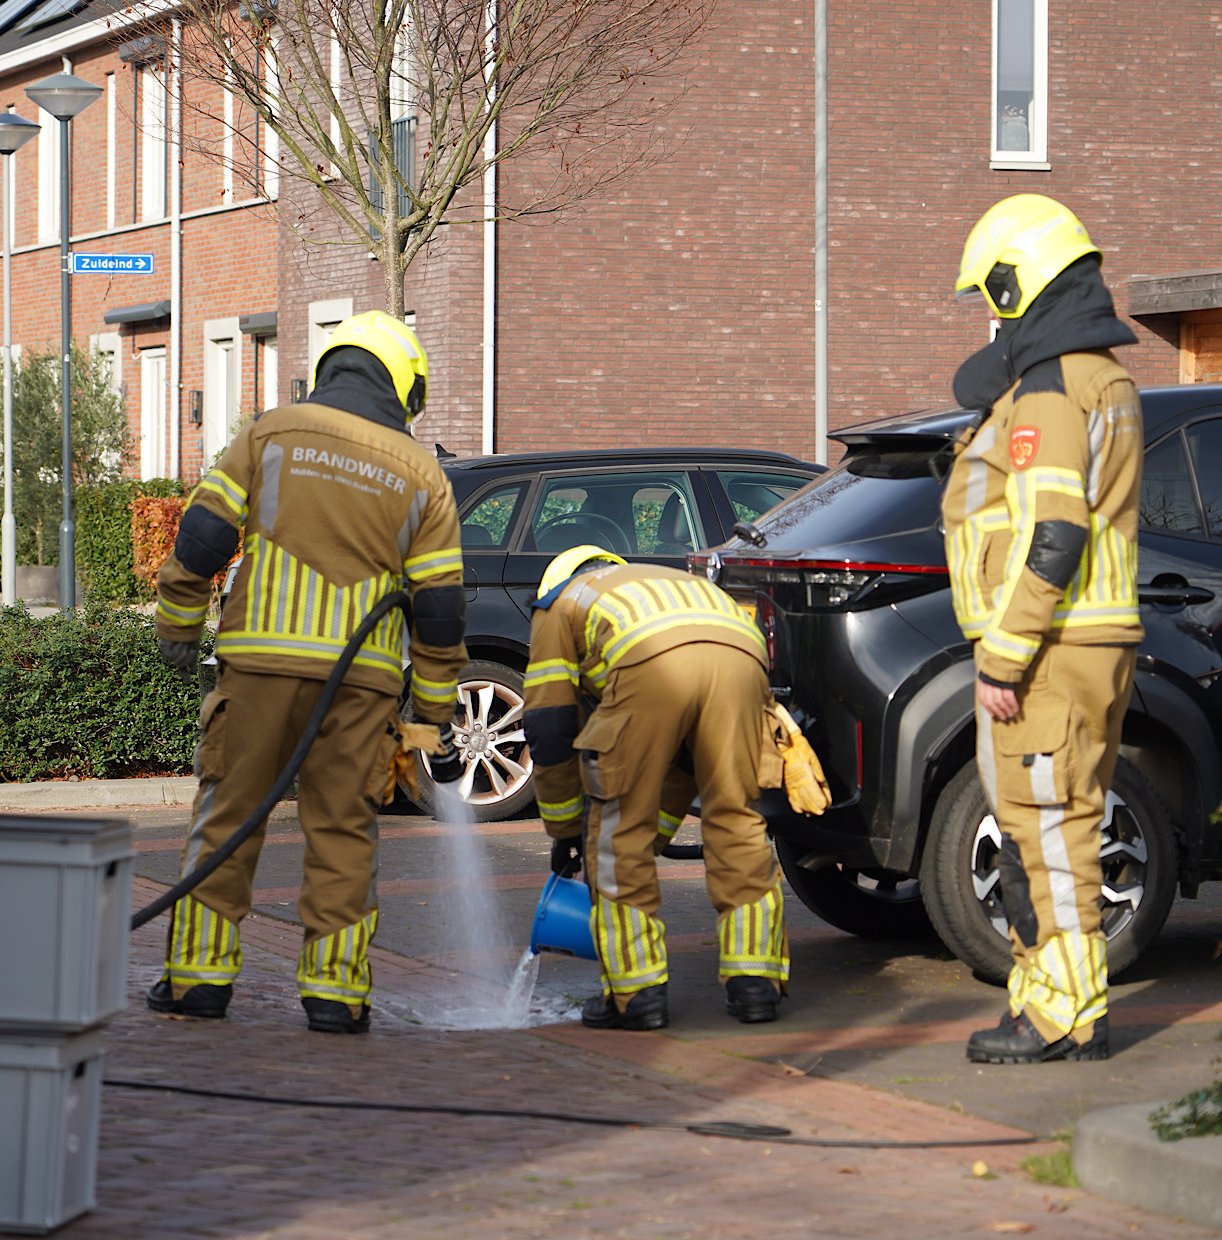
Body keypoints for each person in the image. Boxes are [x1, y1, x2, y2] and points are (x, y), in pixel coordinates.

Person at [148, 311, 469, 1034]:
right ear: (402, 387)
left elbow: (204, 533)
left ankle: (199, 980)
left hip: (259, 664)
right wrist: (436, 711)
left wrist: (178, 618)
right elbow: (441, 608)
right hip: (362, 688)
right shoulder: (422, 473)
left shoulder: (273, 433)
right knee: (344, 831)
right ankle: (335, 994)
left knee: (227, 816)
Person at [945, 194, 1143, 1064]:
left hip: (1050, 650)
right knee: (1052, 823)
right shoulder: (1099, 376)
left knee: (1050, 827)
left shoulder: (1054, 389)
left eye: (994, 295)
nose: (991, 316)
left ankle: (1064, 1015)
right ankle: (1046, 998)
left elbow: (1052, 532)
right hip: (1085, 641)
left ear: (1021, 283)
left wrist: (1006, 649)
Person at [524, 545, 787, 1031]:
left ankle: (636, 994)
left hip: (649, 664)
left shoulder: (559, 605)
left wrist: (565, 830)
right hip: (744, 656)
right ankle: (756, 983)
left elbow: (551, 724)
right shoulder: (659, 584)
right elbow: (678, 765)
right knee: (737, 820)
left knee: (617, 835)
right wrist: (657, 831)